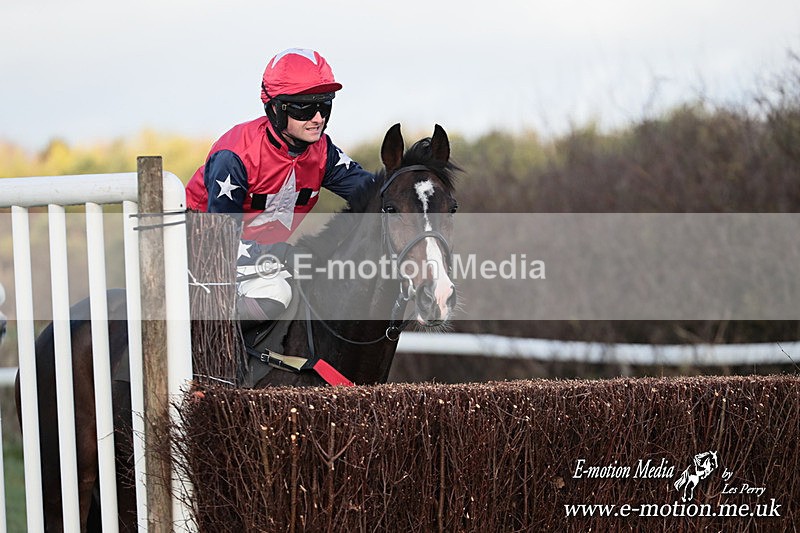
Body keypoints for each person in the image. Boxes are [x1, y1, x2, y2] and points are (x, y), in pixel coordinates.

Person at [186, 48, 374, 327]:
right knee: (277, 294)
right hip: (199, 256)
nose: (318, 117)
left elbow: (377, 192)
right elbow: (220, 243)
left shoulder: (323, 151)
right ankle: (209, 345)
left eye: (325, 105)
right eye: (305, 108)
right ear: (275, 108)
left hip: (256, 260)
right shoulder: (234, 156)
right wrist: (280, 254)